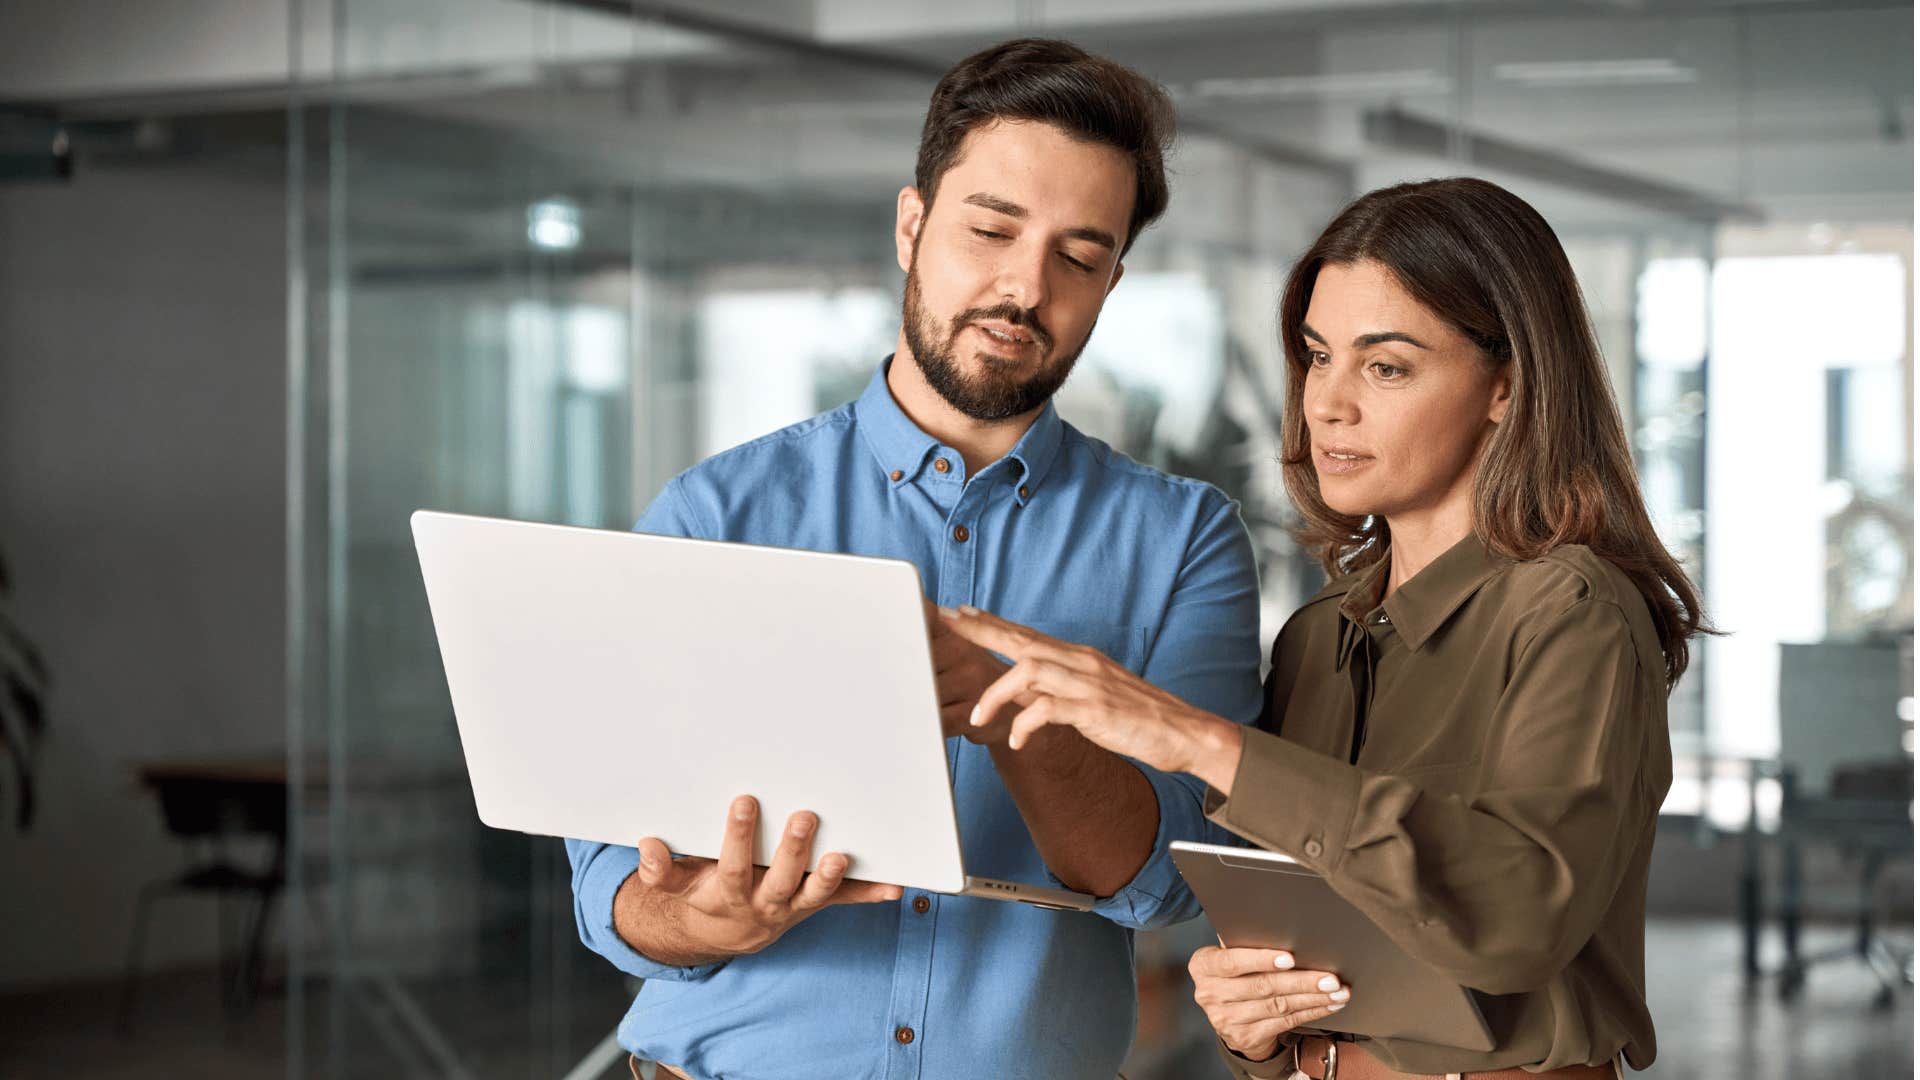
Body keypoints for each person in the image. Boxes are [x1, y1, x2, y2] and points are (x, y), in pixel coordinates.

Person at [563, 38, 1267, 1080]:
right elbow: (608, 886)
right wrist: (697, 917)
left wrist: (1013, 702)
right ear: (912, 226)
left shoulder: (1185, 540)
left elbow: (1170, 883)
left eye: (1078, 257)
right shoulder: (716, 513)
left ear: (1113, 280)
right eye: (990, 230)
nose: (1024, 288)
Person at [944, 176, 1705, 1079]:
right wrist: (1252, 1021)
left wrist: (1197, 739)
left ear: (1506, 385)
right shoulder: (1316, 641)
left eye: (1386, 367)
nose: (1328, 403)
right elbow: (1307, 951)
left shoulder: (1573, 611)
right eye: (1317, 356)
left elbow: (1517, 918)